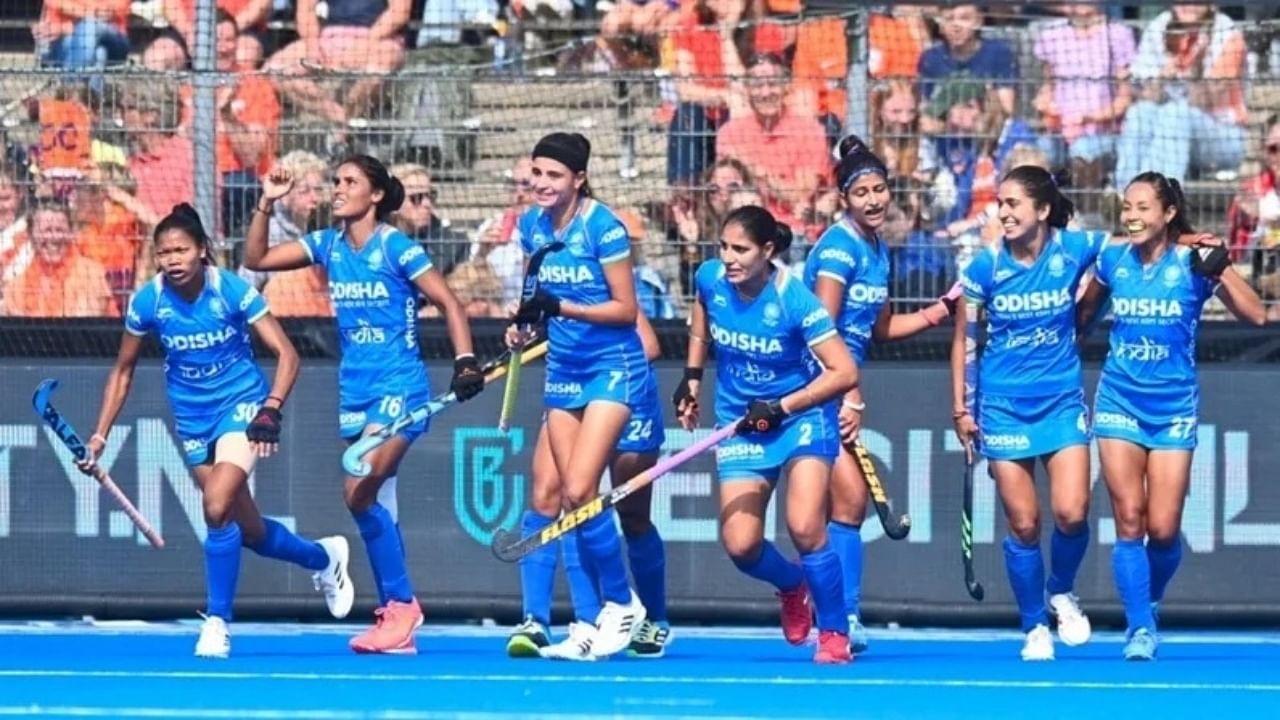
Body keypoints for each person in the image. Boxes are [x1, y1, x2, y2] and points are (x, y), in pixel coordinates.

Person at [76, 204, 353, 658]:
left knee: (215, 503)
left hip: (240, 406)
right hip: (191, 419)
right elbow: (123, 371)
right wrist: (100, 436)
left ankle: (217, 622)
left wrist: (270, 410)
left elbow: (287, 354)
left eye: (181, 249)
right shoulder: (149, 301)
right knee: (247, 529)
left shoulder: (231, 291)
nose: (172, 259)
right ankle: (324, 558)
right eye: (164, 252)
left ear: (202, 251)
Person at [240, 155, 484, 655]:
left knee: (357, 489)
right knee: (374, 502)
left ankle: (403, 606)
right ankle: (396, 619)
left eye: (349, 182)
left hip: (401, 387)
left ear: (375, 195)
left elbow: (450, 303)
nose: (337, 189)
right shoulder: (327, 245)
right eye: (335, 182)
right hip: (356, 391)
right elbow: (257, 260)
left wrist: (464, 362)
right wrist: (266, 202)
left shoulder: (395, 246)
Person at [1076, 172, 1264, 660]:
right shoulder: (1114, 258)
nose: (1132, 216)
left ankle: (1149, 600)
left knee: (1162, 529)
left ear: (1168, 211)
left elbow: (1257, 316)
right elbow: (1083, 317)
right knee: (1130, 518)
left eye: (1142, 208)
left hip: (1173, 407)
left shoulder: (1193, 262)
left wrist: (1220, 268)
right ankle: (1139, 627)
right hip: (1119, 400)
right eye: (1126, 208)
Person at [674, 204, 858, 665]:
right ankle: (793, 584)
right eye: (724, 247)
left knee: (804, 526)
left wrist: (781, 408)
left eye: (741, 250)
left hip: (798, 420)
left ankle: (835, 631)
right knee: (741, 544)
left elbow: (843, 371)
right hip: (740, 421)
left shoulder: (795, 300)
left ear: (768, 250)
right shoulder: (711, 278)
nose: (729, 258)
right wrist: (692, 377)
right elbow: (701, 317)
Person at [801, 136, 960, 654]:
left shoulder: (876, 249)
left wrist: (939, 311)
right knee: (845, 500)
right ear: (844, 198)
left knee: (844, 505)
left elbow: (880, 327)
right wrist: (847, 395)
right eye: (861, 191)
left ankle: (837, 613)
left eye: (879, 189)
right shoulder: (839, 249)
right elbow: (821, 330)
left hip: (840, 386)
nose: (873, 200)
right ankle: (830, 611)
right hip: (814, 387)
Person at [503, 132, 649, 660]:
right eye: (537, 172)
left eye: (554, 175)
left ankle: (622, 604)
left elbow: (625, 310)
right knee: (570, 498)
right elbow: (530, 298)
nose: (542, 184)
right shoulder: (530, 226)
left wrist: (560, 308)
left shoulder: (603, 227)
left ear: (578, 179)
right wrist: (521, 328)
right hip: (562, 368)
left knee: (585, 486)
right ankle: (592, 619)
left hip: (612, 367)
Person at [950, 165, 1102, 661]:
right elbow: (966, 340)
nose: (1004, 211)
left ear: (1042, 209)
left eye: (1014, 203)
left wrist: (1188, 236)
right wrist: (962, 409)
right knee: (1024, 525)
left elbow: (1131, 250)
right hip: (1002, 407)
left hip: (1060, 402)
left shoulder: (1074, 250)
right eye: (1001, 202)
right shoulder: (985, 267)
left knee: (1072, 512)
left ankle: (1061, 590)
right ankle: (1034, 625)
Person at [506, 312, 671, 661]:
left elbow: (650, 346)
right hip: (570, 391)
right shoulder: (542, 265)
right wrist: (523, 333)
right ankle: (549, 621)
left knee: (632, 514)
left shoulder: (599, 275)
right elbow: (534, 321)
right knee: (554, 496)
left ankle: (651, 619)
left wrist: (591, 356)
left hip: (623, 393)